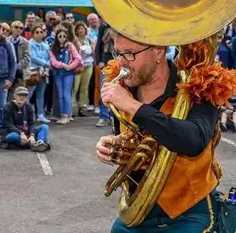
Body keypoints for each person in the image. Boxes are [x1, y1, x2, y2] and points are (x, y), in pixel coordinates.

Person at [96, 31, 224, 232]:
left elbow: (194, 140)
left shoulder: (201, 86)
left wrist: (134, 106)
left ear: (158, 51)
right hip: (137, 212)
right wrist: (112, 146)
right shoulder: (122, 89)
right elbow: (128, 141)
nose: (122, 62)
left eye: (130, 53)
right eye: (118, 53)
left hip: (188, 214)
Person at [0, 87, 50, 152]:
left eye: (24, 95)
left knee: (44, 127)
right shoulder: (8, 107)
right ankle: (34, 144)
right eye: (20, 95)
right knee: (12, 137)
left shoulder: (29, 106)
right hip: (14, 132)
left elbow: (32, 124)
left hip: (27, 133)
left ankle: (40, 142)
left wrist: (32, 135)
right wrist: (21, 133)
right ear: (14, 95)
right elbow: (9, 125)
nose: (22, 97)